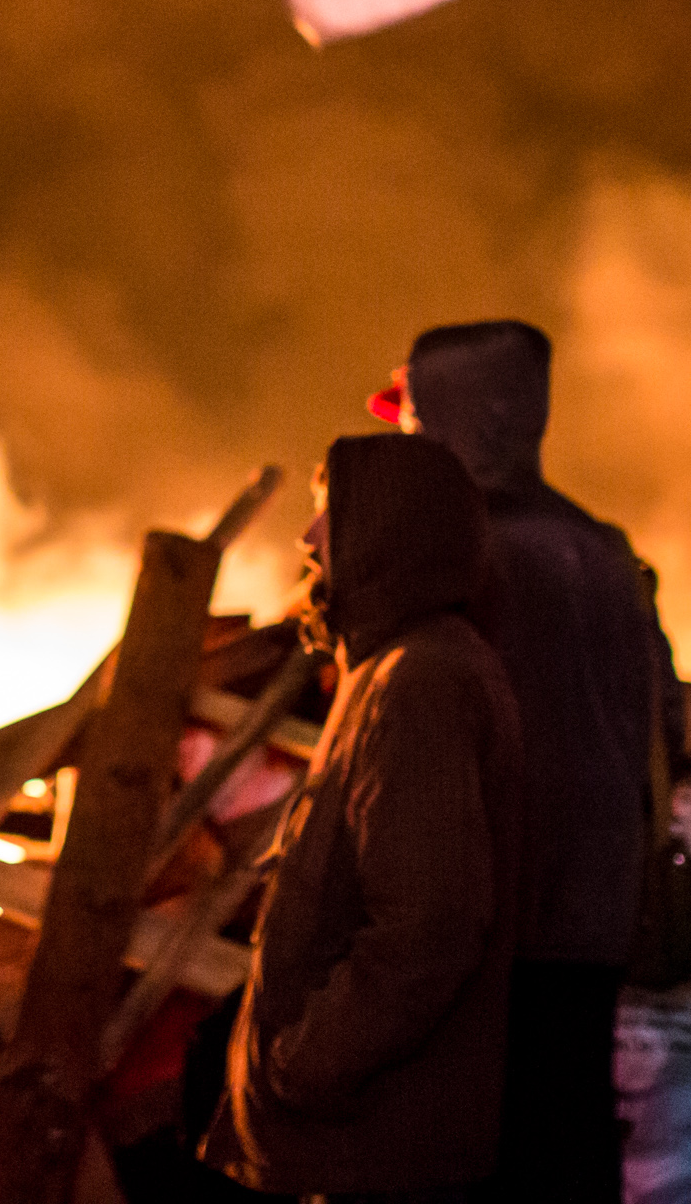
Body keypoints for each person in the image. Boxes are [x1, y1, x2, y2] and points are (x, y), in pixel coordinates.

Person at [391, 320, 673, 1204]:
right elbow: (664, 722)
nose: (404, 435)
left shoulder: (465, 548)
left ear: (452, 416)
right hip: (592, 917)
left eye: (413, 414)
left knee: (473, 1160)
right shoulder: (604, 549)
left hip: (490, 914)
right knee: (567, 1141)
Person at [203, 432, 525, 1203]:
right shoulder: (389, 669)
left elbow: (429, 927)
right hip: (358, 1148)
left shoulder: (422, 681)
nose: (308, 538)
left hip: (371, 1152)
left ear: (387, 528)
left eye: (328, 514)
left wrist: (303, 1067)